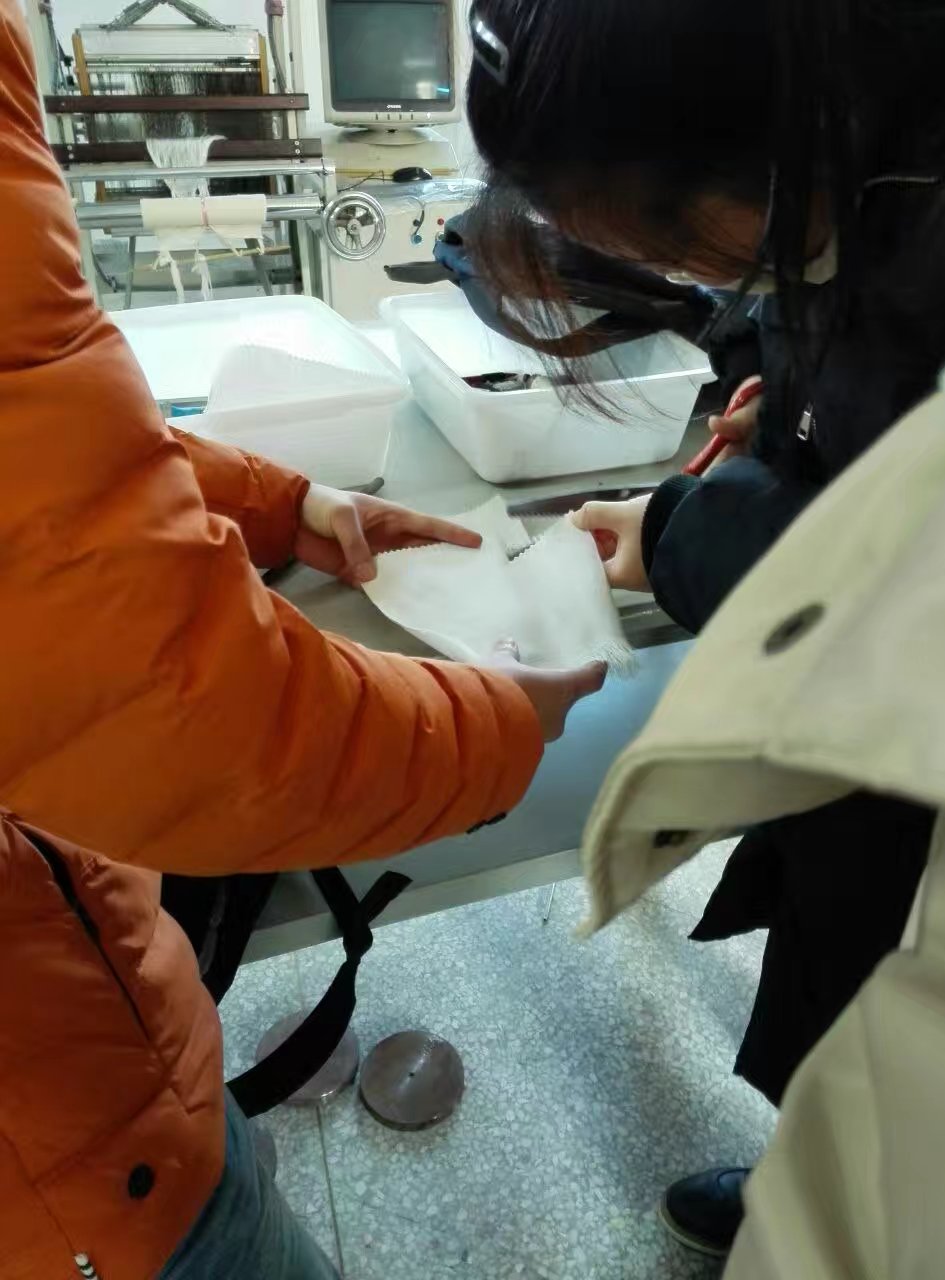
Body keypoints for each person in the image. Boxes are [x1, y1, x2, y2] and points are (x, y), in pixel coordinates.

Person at [0, 7, 606, 1279]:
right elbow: (198, 716)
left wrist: (286, 503)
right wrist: (502, 718)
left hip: (86, 1003)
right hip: (66, 1188)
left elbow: (49, 433)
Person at [464, 0, 945, 1258]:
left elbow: (916, 583)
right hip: (844, 769)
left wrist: (680, 527)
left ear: (771, 144)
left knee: (898, 1050)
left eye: (678, 242)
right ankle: (809, 1161)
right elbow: (836, 331)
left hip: (923, 782)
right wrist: (785, 395)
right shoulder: (848, 153)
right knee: (830, 978)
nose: (683, 278)